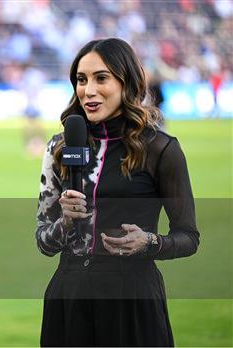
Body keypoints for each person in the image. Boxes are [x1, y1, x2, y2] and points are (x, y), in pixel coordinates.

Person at [36, 38, 199, 347]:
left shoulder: (161, 149)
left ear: (126, 81)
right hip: (68, 298)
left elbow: (189, 237)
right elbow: (43, 242)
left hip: (132, 299)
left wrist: (150, 242)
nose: (89, 90)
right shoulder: (59, 147)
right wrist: (65, 223)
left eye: (101, 78)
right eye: (81, 80)